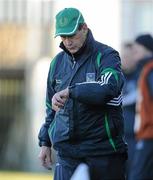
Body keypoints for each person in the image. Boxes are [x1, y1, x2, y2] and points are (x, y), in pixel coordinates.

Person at [38, 7, 127, 180]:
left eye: (71, 35)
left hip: (103, 152)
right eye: (63, 37)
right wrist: (45, 142)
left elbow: (108, 88)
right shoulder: (56, 63)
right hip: (67, 155)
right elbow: (51, 108)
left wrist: (72, 91)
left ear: (84, 28)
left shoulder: (107, 55)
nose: (68, 42)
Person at [129, 34, 153, 180]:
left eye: (137, 49)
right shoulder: (146, 69)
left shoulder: (150, 70)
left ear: (146, 49)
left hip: (149, 135)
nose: (134, 52)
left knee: (137, 176)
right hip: (147, 134)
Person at [121, 43, 137, 179]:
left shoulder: (141, 75)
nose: (125, 59)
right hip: (117, 137)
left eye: (128, 55)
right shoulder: (116, 76)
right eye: (123, 56)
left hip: (135, 137)